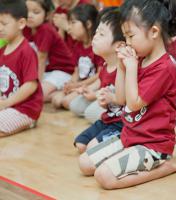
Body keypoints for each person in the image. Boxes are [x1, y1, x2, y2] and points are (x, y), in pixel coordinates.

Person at [78, 0, 176, 189]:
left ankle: (164, 166)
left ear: (153, 32)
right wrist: (121, 66)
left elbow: (134, 104)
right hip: (129, 136)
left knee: (104, 177)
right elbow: (121, 100)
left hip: (152, 145)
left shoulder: (164, 68)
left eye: (131, 36)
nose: (127, 42)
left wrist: (132, 67)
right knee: (85, 164)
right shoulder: (140, 58)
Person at [74, 7, 125, 153]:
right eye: (96, 32)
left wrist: (112, 98)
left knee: (91, 149)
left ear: (119, 45)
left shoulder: (125, 69)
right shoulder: (104, 67)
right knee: (80, 144)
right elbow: (106, 105)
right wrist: (101, 98)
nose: (95, 37)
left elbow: (130, 101)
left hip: (122, 124)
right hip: (108, 119)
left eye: (101, 34)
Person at [0, 0, 43, 136]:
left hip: (25, 109)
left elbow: (31, 85)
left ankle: (28, 121)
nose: (0, 28)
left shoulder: (26, 51)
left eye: (4, 24)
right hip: (8, 105)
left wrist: (6, 103)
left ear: (21, 24)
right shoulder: (2, 50)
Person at [51, 4, 101, 109]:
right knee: (56, 100)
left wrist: (79, 85)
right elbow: (76, 71)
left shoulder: (97, 46)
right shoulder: (77, 45)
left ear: (88, 24)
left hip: (92, 86)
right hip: (81, 85)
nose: (69, 28)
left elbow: (99, 75)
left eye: (73, 23)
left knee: (66, 102)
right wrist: (71, 83)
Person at [24, 0, 76, 102]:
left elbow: (41, 59)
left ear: (47, 15)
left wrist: (35, 85)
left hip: (62, 71)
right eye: (27, 11)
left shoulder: (45, 29)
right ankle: (56, 94)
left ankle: (65, 93)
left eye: (36, 12)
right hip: (47, 71)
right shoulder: (26, 27)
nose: (29, 15)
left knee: (35, 95)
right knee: (25, 92)